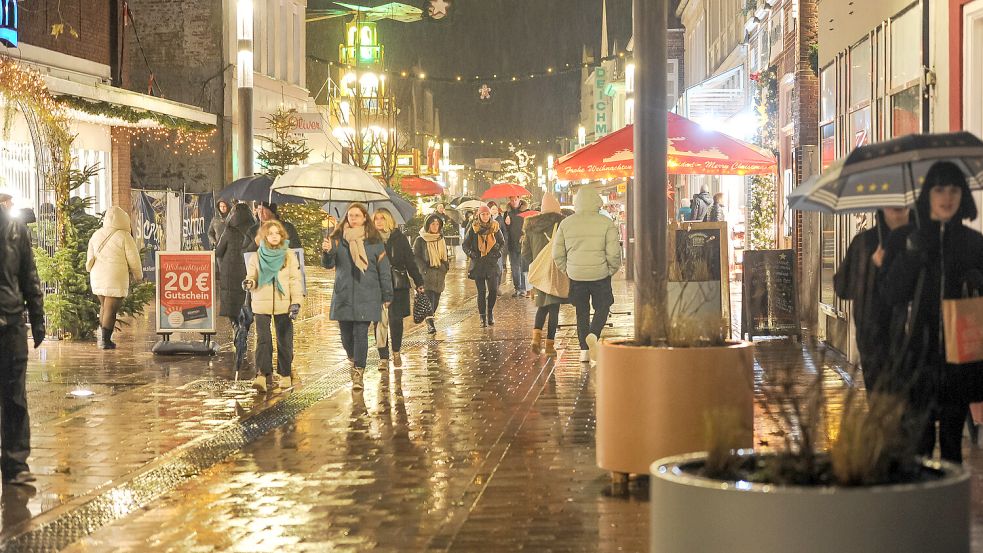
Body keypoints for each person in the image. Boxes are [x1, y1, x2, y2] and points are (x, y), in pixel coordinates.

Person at [883, 161, 983, 463]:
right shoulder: (905, 239)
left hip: (959, 360)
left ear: (962, 194)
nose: (947, 197)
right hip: (917, 359)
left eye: (953, 189)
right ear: (927, 194)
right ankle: (922, 507)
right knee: (919, 443)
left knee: (953, 444)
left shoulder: (973, 243)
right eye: (939, 189)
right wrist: (912, 256)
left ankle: (951, 507)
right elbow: (890, 294)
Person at [834, 208, 910, 391]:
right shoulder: (864, 243)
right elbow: (843, 288)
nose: (898, 207)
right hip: (874, 340)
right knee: (880, 403)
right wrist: (872, 265)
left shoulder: (920, 240)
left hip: (913, 338)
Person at [322, 203, 393, 391]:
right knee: (346, 337)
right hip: (344, 294)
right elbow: (328, 265)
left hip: (367, 294)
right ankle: (354, 360)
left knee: (361, 333)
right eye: (350, 215)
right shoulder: (337, 240)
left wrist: (387, 294)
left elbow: (384, 271)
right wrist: (327, 251)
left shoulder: (374, 242)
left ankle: (358, 371)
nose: (352, 218)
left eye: (357, 215)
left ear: (364, 218)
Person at [0, 203, 44, 485]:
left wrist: (38, 317)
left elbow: (29, 274)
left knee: (15, 394)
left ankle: (16, 464)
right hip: (11, 316)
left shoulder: (14, 228)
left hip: (10, 319)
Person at [552, 187, 622, 364]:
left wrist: (567, 269)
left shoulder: (566, 224)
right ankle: (593, 334)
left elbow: (557, 254)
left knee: (581, 311)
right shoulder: (606, 223)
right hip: (600, 274)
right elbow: (614, 253)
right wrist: (611, 269)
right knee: (603, 306)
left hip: (576, 275)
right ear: (597, 202)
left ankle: (584, 351)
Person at [243, 220, 304, 392]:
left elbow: (294, 280)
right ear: (264, 236)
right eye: (270, 233)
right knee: (263, 339)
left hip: (284, 304)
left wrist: (296, 302)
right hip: (261, 303)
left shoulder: (288, 255)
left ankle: (285, 374)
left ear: (282, 235)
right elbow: (252, 277)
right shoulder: (256, 256)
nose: (274, 236)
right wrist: (249, 283)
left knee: (284, 340)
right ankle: (262, 375)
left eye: (277, 233)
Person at [85, 206, 142, 349]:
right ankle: (105, 340)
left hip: (97, 274)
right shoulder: (124, 236)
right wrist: (138, 275)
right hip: (114, 276)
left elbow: (89, 256)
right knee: (111, 308)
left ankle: (103, 338)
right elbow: (133, 259)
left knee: (104, 305)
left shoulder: (97, 234)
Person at [374, 208, 424, 367]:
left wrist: (419, 282)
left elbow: (410, 261)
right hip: (378, 284)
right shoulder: (371, 239)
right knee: (379, 322)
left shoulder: (399, 238)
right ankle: (383, 357)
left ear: (389, 220)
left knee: (395, 321)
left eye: (382, 218)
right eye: (376, 219)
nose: (379, 221)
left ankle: (396, 351)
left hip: (397, 284)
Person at [521, 193, 566, 356]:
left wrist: (537, 260)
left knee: (542, 307)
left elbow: (525, 253)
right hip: (555, 271)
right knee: (554, 308)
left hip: (539, 272)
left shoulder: (531, 227)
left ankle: (535, 338)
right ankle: (549, 346)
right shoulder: (561, 225)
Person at [463, 205, 506, 327]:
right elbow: (465, 245)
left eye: (487, 214)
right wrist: (471, 254)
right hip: (478, 264)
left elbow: (502, 242)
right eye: (483, 214)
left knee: (493, 290)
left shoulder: (495, 227)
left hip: (492, 263)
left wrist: (498, 252)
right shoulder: (473, 228)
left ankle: (490, 312)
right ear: (479, 215)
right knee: (481, 292)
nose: (485, 216)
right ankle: (482, 317)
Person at [216, 203, 254, 328]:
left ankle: (235, 326)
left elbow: (218, 251)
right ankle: (245, 326)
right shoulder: (254, 230)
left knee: (231, 303)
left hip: (229, 272)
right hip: (248, 269)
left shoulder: (229, 230)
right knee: (246, 300)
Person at [413, 213, 450, 335]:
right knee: (430, 301)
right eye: (433, 224)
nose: (435, 226)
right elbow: (416, 257)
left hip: (439, 275)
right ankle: (430, 326)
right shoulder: (420, 240)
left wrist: (445, 267)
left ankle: (430, 320)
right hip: (427, 275)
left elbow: (445, 255)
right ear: (428, 225)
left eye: (437, 224)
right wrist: (423, 269)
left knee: (436, 302)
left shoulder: (441, 238)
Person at [504, 196, 527, 296]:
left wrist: (525, 235)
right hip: (512, 243)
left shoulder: (526, 212)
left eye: (515, 200)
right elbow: (504, 230)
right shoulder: (507, 213)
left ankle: (523, 288)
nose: (514, 202)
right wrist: (507, 224)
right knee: (514, 267)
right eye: (512, 200)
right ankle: (517, 287)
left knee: (523, 267)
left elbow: (530, 226)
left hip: (523, 243)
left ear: (519, 199)